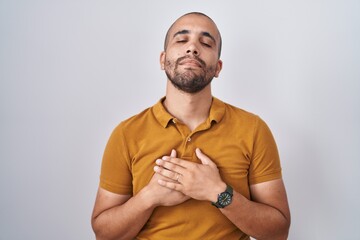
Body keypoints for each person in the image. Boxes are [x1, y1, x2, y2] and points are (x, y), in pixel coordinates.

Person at [91, 12, 291, 240]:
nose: (192, 48)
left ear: (218, 67)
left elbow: (278, 232)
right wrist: (149, 197)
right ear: (162, 59)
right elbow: (104, 234)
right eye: (181, 40)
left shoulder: (254, 130)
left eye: (205, 43)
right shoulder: (126, 134)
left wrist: (218, 193)